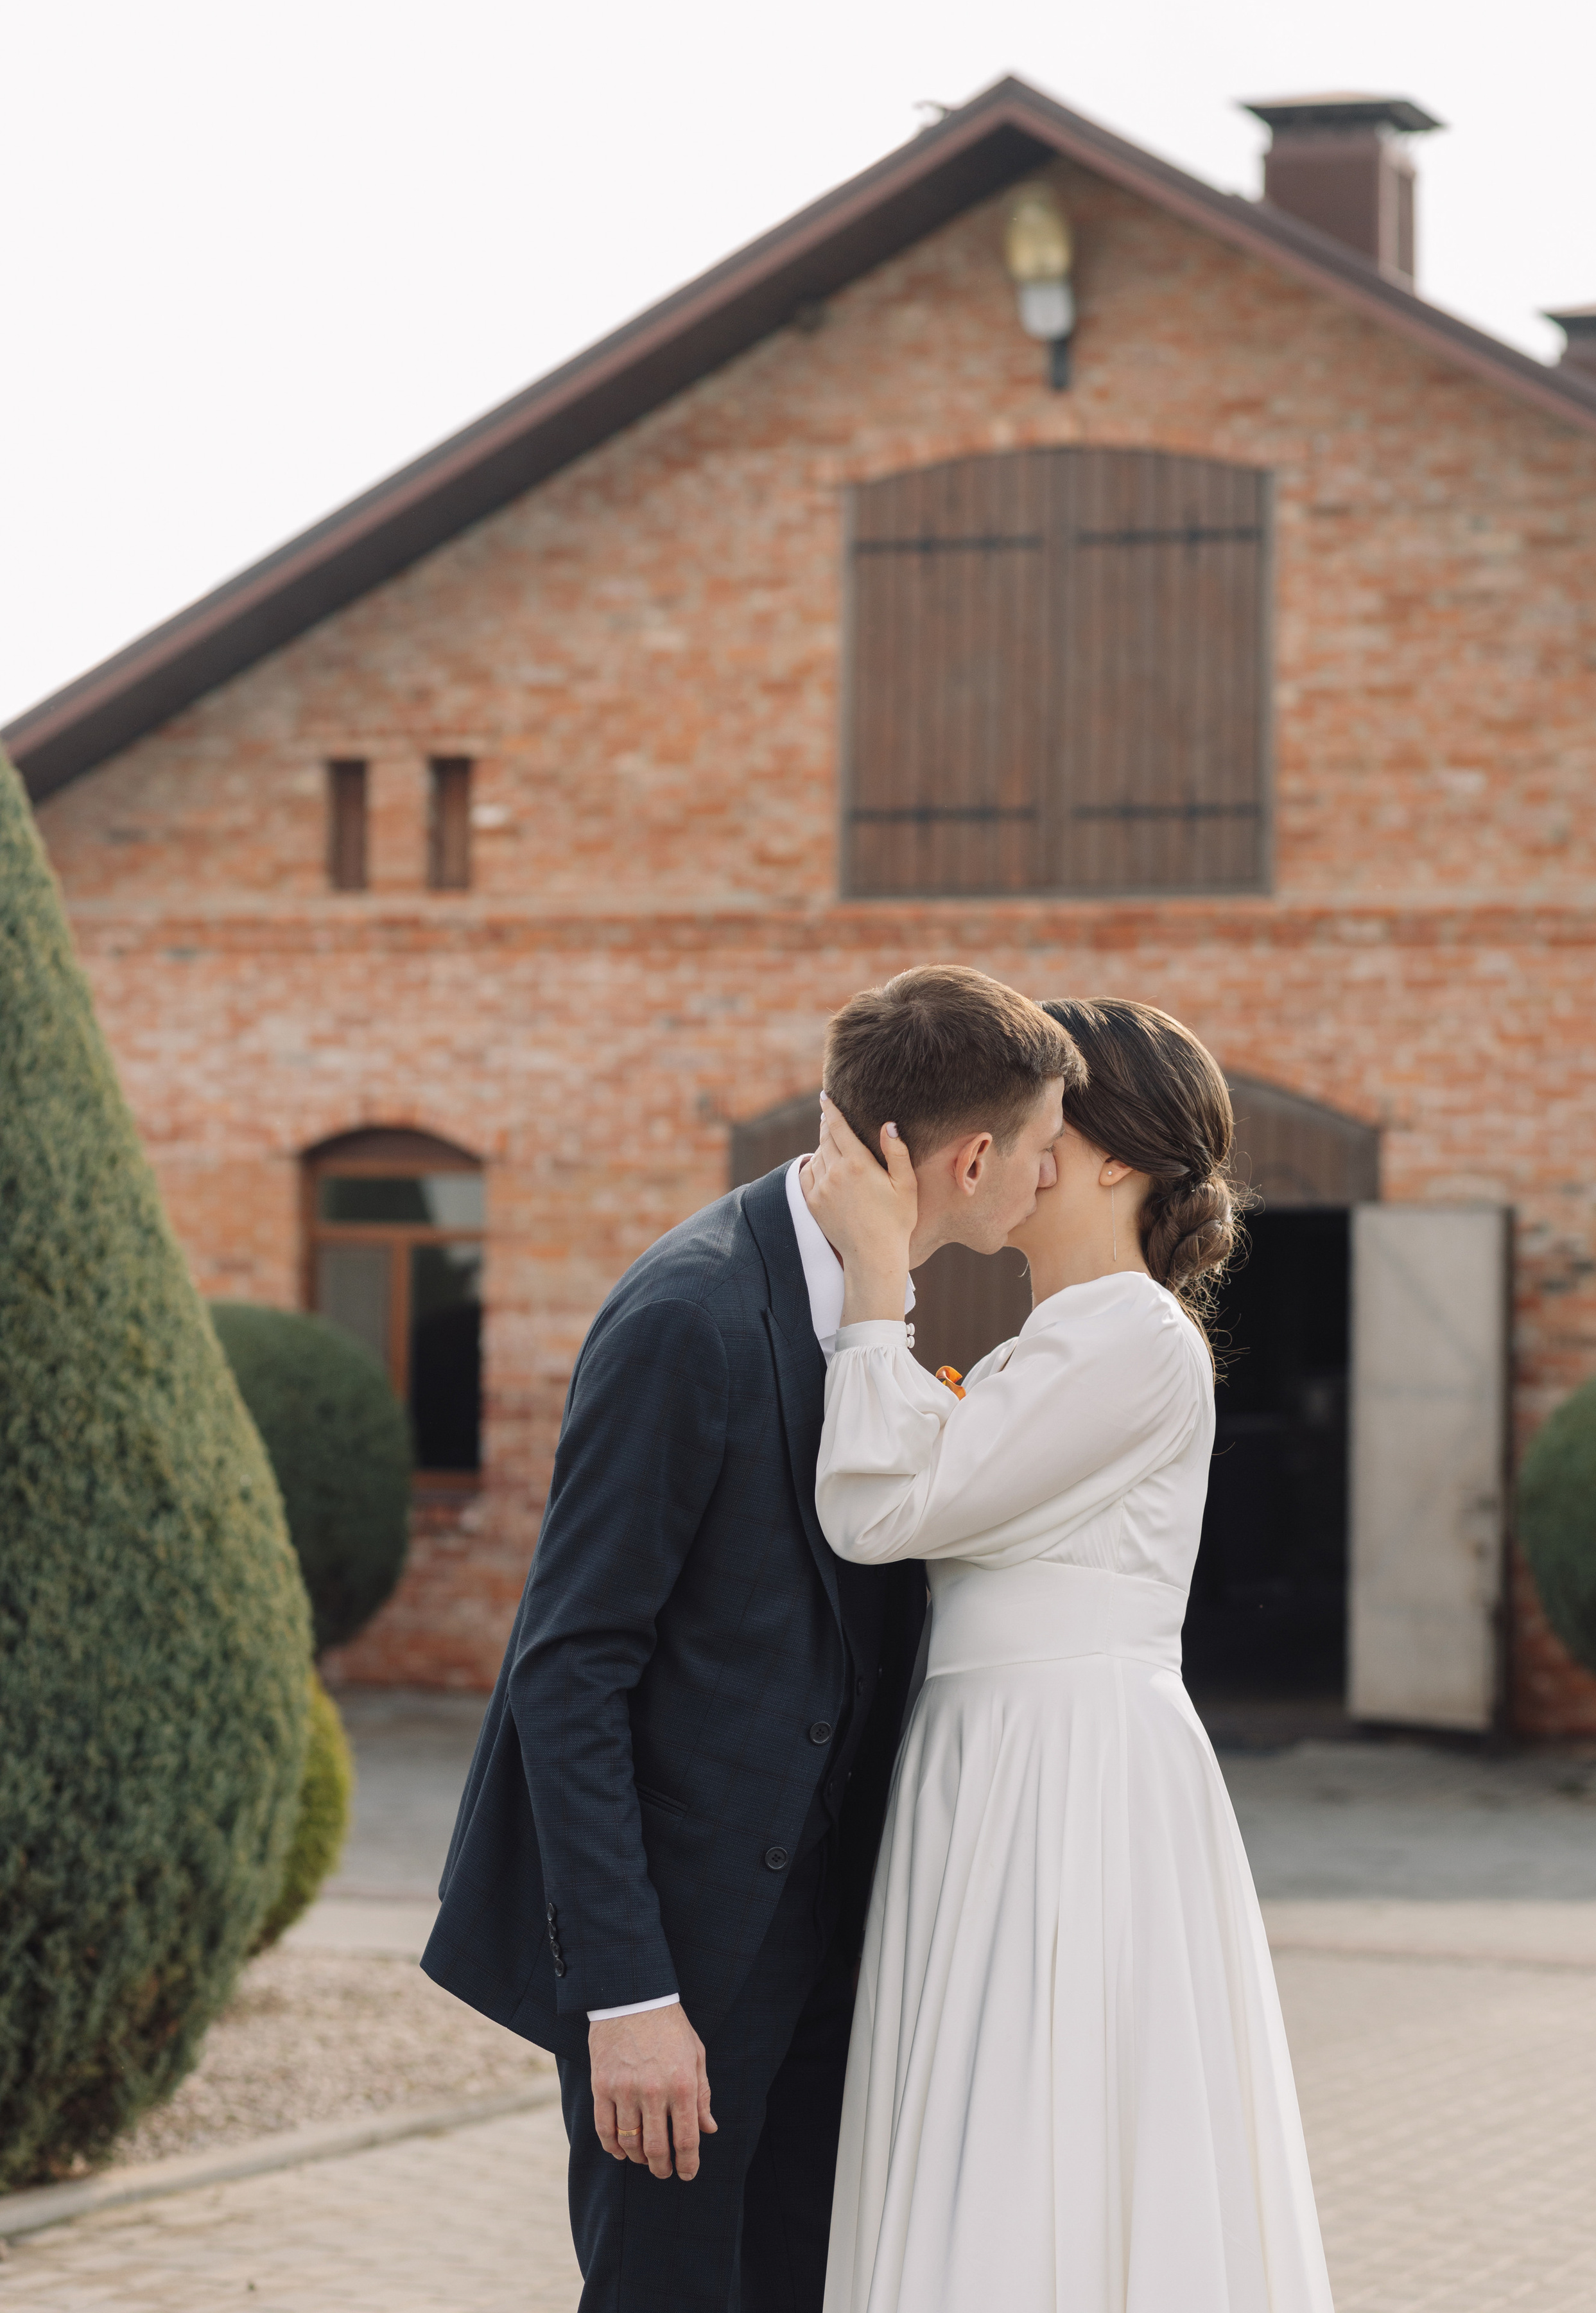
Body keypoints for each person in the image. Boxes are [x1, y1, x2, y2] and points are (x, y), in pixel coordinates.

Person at [421, 965, 1084, 2312]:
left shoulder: (892, 1306)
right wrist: (627, 1999)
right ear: (970, 1160)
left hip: (835, 1947)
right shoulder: (691, 1313)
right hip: (683, 1962)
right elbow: (568, 1666)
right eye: (1041, 1147)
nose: (1050, 1174)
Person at [802, 997, 1335, 2313]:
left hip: (1068, 1769)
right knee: (986, 2109)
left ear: (1117, 1160)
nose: (1017, 1145)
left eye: (1049, 1122)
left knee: (1051, 2111)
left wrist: (876, 1279)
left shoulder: (1134, 1340)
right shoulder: (1043, 1346)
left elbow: (882, 1511)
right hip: (986, 1756)